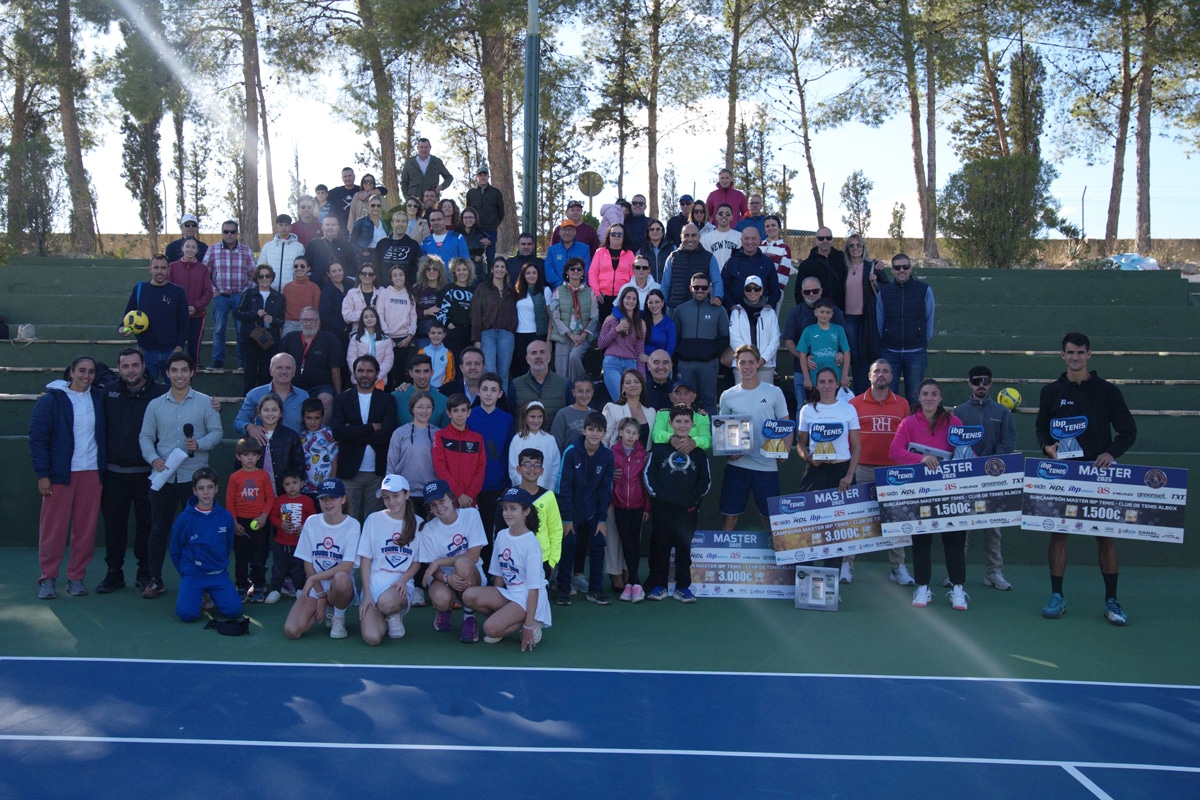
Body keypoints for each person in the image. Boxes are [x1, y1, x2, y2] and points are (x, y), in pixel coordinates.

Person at [1035, 332, 1137, 626]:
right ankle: (1057, 596)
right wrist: (1047, 447)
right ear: (1062, 355)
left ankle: (1112, 601)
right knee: (1058, 535)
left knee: (1105, 536)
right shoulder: (1051, 391)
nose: (1075, 357)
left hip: (1099, 475)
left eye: (1080, 352)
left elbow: (1128, 431)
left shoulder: (1107, 391)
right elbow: (1041, 429)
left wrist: (1110, 453)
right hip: (1064, 475)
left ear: (1089, 355)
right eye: (1070, 352)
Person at [137, 352, 223, 600]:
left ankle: (202, 583)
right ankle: (155, 579)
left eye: (184, 370)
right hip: (163, 478)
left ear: (192, 372)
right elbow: (145, 436)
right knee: (158, 530)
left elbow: (216, 432)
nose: (179, 375)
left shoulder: (206, 402)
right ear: (167, 373)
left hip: (195, 481)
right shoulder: (155, 405)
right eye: (174, 370)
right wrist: (153, 458)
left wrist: (200, 444)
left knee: (199, 532)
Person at [30, 355, 106, 599]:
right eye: (81, 370)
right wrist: (43, 474)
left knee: (85, 529)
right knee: (53, 528)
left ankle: (76, 577)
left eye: (91, 372)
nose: (86, 376)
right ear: (71, 372)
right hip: (60, 475)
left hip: (91, 473)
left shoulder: (99, 397)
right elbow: (38, 438)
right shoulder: (51, 400)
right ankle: (48, 578)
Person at [889, 379, 969, 611]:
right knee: (921, 541)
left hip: (949, 492)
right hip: (920, 492)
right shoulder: (908, 423)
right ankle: (922, 586)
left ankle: (958, 589)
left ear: (941, 398)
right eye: (925, 394)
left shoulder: (954, 422)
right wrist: (921, 459)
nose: (929, 398)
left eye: (934, 394)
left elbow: (965, 452)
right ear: (919, 397)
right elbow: (894, 451)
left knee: (954, 540)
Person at [96, 348, 166, 594]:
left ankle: (145, 571)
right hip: (114, 473)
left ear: (143, 365)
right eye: (125, 366)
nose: (131, 370)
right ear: (119, 369)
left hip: (148, 474)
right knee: (114, 526)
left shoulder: (160, 392)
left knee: (147, 525)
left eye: (135, 365)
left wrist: (213, 404)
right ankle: (113, 572)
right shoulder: (108, 391)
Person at [848, 358, 914, 586]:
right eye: (877, 371)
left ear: (892, 377)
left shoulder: (902, 405)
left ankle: (898, 567)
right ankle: (847, 564)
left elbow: (907, 440)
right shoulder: (855, 404)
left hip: (893, 471)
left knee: (897, 518)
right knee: (856, 519)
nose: (881, 375)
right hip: (862, 468)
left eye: (886, 371)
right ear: (869, 376)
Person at [952, 365, 1016, 591]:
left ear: (991, 383)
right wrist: (971, 466)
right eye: (977, 381)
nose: (981, 385)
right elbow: (954, 442)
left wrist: (991, 465)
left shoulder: (1002, 412)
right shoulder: (958, 412)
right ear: (969, 383)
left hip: (993, 478)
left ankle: (994, 573)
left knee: (993, 529)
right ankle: (956, 573)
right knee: (962, 529)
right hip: (966, 479)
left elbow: (1008, 440)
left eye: (985, 381)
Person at [463, 487, 552, 649]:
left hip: (527, 597)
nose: (507, 513)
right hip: (510, 593)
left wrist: (528, 626)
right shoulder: (502, 535)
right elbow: (499, 576)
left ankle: (532, 621)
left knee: (489, 629)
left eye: (513, 508)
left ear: (526, 512)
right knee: (469, 595)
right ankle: (506, 620)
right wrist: (497, 606)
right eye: (505, 508)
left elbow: (534, 589)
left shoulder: (531, 543)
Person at [795, 367, 862, 576]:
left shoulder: (848, 409)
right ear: (816, 385)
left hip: (841, 470)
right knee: (809, 524)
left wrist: (849, 475)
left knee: (837, 528)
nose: (826, 386)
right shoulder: (807, 410)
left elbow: (857, 447)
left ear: (837, 384)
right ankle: (807, 576)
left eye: (830, 382)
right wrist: (808, 457)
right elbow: (801, 444)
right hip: (816, 470)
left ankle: (830, 579)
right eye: (822, 382)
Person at [718, 345, 791, 532]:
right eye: (742, 363)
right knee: (729, 516)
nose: (747, 367)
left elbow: (786, 425)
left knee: (769, 518)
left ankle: (773, 552)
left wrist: (784, 452)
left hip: (767, 465)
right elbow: (722, 430)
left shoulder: (774, 392)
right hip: (737, 465)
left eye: (751, 362)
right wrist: (729, 453)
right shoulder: (728, 396)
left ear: (758, 363)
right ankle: (725, 550)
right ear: (737, 364)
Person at [644, 404, 712, 602]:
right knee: (660, 547)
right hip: (663, 509)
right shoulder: (659, 449)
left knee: (684, 548)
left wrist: (693, 500)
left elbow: (705, 480)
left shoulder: (699, 453)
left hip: (687, 510)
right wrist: (659, 496)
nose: (682, 425)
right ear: (671, 423)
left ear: (692, 425)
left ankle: (683, 587)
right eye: (678, 421)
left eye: (686, 422)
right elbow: (648, 474)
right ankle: (659, 586)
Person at [283, 477, 361, 640]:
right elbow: (308, 563)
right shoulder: (311, 522)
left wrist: (313, 579)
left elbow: (346, 566)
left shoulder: (352, 525)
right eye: (323, 498)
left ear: (343, 499)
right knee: (292, 631)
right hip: (316, 586)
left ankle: (338, 617)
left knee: (341, 578)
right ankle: (326, 608)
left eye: (333, 498)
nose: (328, 503)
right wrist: (320, 594)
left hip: (339, 585)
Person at [168, 468, 242, 623]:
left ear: (216, 489)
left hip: (218, 574)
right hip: (193, 574)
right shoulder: (184, 519)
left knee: (234, 611)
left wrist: (219, 564)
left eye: (210, 487)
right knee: (187, 615)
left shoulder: (225, 517)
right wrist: (185, 573)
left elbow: (227, 545)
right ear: (194, 491)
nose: (206, 493)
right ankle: (198, 594)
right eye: (201, 488)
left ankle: (211, 594)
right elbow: (175, 550)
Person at [556, 412, 614, 606]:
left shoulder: (607, 455)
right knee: (568, 545)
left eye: (599, 430)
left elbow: (606, 489)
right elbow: (563, 487)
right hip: (571, 511)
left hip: (594, 511)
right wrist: (567, 518)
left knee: (598, 544)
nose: (594, 434)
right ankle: (563, 588)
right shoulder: (571, 452)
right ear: (584, 431)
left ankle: (595, 590)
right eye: (591, 429)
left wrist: (602, 519)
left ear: (604, 433)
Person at [417, 479, 486, 642]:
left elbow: (474, 555)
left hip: (472, 575)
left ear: (452, 498)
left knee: (462, 563)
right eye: (433, 505)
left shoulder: (471, 515)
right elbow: (433, 570)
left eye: (442, 501)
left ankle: (469, 617)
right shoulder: (428, 530)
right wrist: (447, 578)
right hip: (444, 579)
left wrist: (439, 562)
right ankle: (444, 610)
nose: (439, 508)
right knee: (440, 598)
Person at [357, 474, 422, 644]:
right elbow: (365, 559)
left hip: (400, 586)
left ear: (407, 495)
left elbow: (416, 563)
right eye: (386, 497)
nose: (391, 501)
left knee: (386, 602)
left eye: (396, 496)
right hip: (374, 586)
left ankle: (394, 613)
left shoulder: (419, 523)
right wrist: (367, 595)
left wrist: (403, 580)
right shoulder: (373, 519)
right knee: (372, 638)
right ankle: (384, 616)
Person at [332, 355, 398, 523]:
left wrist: (352, 433)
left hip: (377, 473)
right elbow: (338, 433)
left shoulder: (387, 399)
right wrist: (371, 428)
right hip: (349, 472)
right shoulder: (342, 399)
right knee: (348, 521)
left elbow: (387, 434)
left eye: (369, 371)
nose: (365, 375)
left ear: (377, 374)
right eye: (360, 370)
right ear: (354, 373)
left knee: (374, 522)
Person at [876, 253, 935, 404]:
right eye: (897, 267)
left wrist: (921, 338)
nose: (901, 270)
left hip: (916, 351)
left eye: (905, 266)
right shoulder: (885, 292)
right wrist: (887, 337)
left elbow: (929, 317)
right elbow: (880, 319)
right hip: (890, 351)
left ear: (910, 268)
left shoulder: (924, 290)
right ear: (892, 270)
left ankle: (914, 421)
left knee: (915, 396)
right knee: (888, 396)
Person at [782, 277, 847, 408]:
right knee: (803, 408)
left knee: (832, 408)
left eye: (815, 291)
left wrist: (841, 354)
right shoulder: (796, 312)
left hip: (831, 372)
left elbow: (844, 341)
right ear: (802, 293)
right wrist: (804, 358)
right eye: (807, 292)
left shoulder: (835, 312)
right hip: (802, 371)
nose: (811, 294)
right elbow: (788, 341)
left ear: (821, 291)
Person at [121, 254, 188, 382]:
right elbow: (128, 316)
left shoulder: (178, 292)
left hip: (171, 351)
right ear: (150, 269)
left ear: (169, 270)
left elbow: (184, 322)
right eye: (156, 267)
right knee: (148, 390)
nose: (159, 271)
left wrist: (179, 347)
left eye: (163, 268)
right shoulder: (140, 289)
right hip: (147, 351)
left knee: (174, 390)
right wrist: (124, 329)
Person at [468, 373, 515, 554]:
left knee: (493, 533)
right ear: (478, 391)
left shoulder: (506, 419)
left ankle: (492, 568)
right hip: (472, 486)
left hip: (497, 484)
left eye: (493, 390)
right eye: (485, 389)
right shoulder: (469, 416)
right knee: (473, 533)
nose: (489, 394)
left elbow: (509, 451)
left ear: (500, 394)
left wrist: (508, 483)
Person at [226, 437, 275, 603]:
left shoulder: (263, 476)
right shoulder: (234, 477)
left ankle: (259, 585)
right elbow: (229, 501)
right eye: (246, 454)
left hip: (259, 522)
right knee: (241, 558)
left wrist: (263, 516)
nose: (250, 458)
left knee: (259, 557)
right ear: (238, 457)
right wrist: (234, 523)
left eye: (253, 455)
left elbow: (270, 498)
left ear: (259, 457)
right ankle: (241, 586)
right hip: (240, 523)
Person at [672, 274, 730, 414]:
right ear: (690, 288)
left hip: (708, 364)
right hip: (686, 364)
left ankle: (709, 428)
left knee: (709, 400)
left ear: (709, 289)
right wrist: (682, 352)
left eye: (703, 287)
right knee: (684, 401)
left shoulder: (719, 310)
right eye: (696, 287)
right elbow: (675, 336)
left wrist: (711, 353)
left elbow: (725, 337)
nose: (700, 290)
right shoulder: (681, 310)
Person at [204, 219, 255, 371]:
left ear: (237, 233)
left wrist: (246, 291)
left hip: (240, 296)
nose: (229, 235)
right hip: (221, 296)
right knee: (219, 330)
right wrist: (213, 290)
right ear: (222, 233)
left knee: (241, 331)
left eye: (232, 232)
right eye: (226, 232)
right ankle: (217, 362)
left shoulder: (246, 251)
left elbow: (253, 274)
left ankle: (242, 363)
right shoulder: (213, 250)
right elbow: (204, 273)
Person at [609, 417, 651, 602]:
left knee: (635, 542)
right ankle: (634, 582)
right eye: (627, 432)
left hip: (638, 505)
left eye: (634, 433)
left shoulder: (643, 455)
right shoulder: (612, 453)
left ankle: (633, 583)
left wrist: (647, 507)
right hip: (619, 505)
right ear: (620, 433)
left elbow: (646, 483)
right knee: (626, 541)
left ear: (638, 436)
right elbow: (605, 476)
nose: (630, 436)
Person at [841, 233, 889, 391]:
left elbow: (886, 289)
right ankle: (858, 393)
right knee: (854, 356)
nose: (855, 248)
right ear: (847, 249)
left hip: (868, 317)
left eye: (859, 245)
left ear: (863, 247)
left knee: (868, 354)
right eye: (851, 245)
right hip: (849, 318)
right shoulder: (844, 268)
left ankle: (870, 391)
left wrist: (875, 282)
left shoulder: (872, 266)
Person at [280, 307, 343, 423]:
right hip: (293, 385)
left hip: (321, 386)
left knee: (327, 399)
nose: (308, 323)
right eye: (305, 320)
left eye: (312, 320)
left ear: (318, 322)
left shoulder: (329, 339)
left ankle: (321, 432)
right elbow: (279, 364)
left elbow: (335, 368)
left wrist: (338, 394)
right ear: (300, 321)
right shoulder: (289, 338)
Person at [264, 468, 316, 604]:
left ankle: (299, 589)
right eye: (287, 484)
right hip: (280, 542)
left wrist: (304, 526)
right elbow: (272, 517)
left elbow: (313, 518)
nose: (291, 486)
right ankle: (276, 589)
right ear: (283, 486)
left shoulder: (307, 501)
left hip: (299, 544)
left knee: (298, 567)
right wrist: (280, 524)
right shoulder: (279, 500)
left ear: (302, 483)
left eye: (294, 482)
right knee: (278, 567)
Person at [234, 265, 286, 395]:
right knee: (250, 371)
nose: (264, 279)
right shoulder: (248, 294)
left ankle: (265, 400)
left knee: (266, 372)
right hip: (249, 338)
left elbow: (282, 320)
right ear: (256, 278)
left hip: (269, 340)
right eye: (261, 276)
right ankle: (247, 399)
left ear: (272, 278)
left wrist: (272, 320)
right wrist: (255, 314)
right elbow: (238, 313)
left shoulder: (279, 297)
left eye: (267, 276)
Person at [234, 352, 310, 440]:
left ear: (294, 372)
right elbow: (239, 422)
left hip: (295, 447)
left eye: (288, 368)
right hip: (265, 446)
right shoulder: (255, 394)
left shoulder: (303, 396)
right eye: (279, 367)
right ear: (271, 371)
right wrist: (249, 427)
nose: (284, 371)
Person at [513, 449, 563, 580]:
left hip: (542, 559)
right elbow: (501, 530)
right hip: (514, 559)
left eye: (536, 465)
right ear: (518, 469)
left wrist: (552, 562)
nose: (532, 469)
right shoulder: (511, 496)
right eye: (527, 464)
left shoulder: (548, 496)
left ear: (542, 471)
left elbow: (556, 530)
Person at [387, 391, 441, 512]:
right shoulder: (400, 433)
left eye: (428, 407)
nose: (424, 411)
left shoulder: (438, 434)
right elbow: (391, 463)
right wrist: (390, 490)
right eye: (420, 407)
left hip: (431, 493)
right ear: (412, 409)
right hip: (405, 493)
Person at [548, 257, 599, 381]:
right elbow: (554, 317)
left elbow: (595, 317)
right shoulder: (558, 291)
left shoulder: (590, 292)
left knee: (574, 358)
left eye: (579, 269)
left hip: (583, 336)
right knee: (561, 372)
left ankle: (581, 385)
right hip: (564, 336)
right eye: (572, 269)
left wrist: (583, 336)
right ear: (567, 271)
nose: (576, 271)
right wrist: (570, 334)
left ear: (583, 272)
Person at [471, 257, 519, 388]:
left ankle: (502, 400)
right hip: (487, 334)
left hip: (506, 335)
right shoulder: (483, 289)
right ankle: (489, 399)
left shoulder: (511, 291)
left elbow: (516, 312)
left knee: (503, 373)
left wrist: (512, 327)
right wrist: (476, 339)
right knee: (489, 371)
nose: (499, 269)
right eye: (497, 266)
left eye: (502, 267)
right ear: (492, 269)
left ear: (506, 271)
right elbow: (476, 314)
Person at [432, 393, 486, 507]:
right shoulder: (440, 436)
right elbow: (440, 469)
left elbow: (480, 470)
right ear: (449, 413)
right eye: (455, 410)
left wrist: (470, 495)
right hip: (447, 501)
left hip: (470, 501)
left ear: (469, 412)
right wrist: (458, 494)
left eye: (463, 410)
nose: (460, 414)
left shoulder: (477, 439)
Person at [727, 275, 781, 386]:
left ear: (761, 291)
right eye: (749, 288)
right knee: (742, 396)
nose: (752, 292)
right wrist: (748, 359)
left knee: (765, 396)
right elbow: (734, 338)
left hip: (766, 365)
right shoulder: (737, 312)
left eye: (756, 288)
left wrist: (763, 359)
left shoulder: (770, 313)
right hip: (743, 365)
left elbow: (775, 339)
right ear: (744, 291)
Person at [597, 286, 647, 403]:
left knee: (633, 400)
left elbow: (640, 351)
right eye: (628, 298)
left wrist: (642, 377)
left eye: (634, 299)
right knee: (621, 399)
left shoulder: (640, 323)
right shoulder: (610, 319)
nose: (631, 301)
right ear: (622, 299)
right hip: (612, 362)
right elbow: (600, 344)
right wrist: (616, 330)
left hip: (631, 364)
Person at [661, 223, 724, 311]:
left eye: (693, 235)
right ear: (681, 237)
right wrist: (662, 307)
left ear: (699, 236)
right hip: (675, 310)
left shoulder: (709, 258)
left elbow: (717, 281)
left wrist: (717, 296)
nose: (690, 239)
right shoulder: (672, 258)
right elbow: (665, 285)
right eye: (686, 235)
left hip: (701, 310)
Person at [798, 298, 852, 393]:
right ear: (815, 312)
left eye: (827, 312)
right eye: (821, 312)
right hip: (815, 378)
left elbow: (846, 352)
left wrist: (844, 376)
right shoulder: (809, 331)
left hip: (835, 378)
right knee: (816, 402)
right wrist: (807, 378)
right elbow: (802, 355)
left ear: (832, 314)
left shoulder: (838, 330)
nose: (824, 315)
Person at [509, 339, 569, 424]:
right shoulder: (515, 384)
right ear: (527, 359)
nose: (538, 356)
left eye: (542, 352)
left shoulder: (565, 383)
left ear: (549, 357)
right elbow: (511, 416)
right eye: (533, 353)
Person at [721, 226, 781, 311]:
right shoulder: (731, 262)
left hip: (761, 311)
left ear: (759, 240)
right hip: (736, 311)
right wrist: (732, 306)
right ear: (741, 240)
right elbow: (724, 288)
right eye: (746, 238)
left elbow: (775, 289)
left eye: (753, 238)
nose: (750, 242)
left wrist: (770, 305)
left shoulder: (767, 262)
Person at [379, 264, 419, 386]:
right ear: (391, 278)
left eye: (401, 275)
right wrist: (387, 335)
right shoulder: (384, 293)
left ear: (405, 276)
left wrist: (409, 336)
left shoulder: (409, 295)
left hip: (404, 340)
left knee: (401, 373)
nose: (398, 278)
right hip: (388, 339)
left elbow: (413, 317)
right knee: (388, 372)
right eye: (395, 275)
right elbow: (380, 314)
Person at [507, 400, 560, 490]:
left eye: (540, 417)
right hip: (524, 491)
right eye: (532, 417)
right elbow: (513, 469)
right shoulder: (517, 439)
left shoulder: (550, 440)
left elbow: (555, 468)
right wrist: (524, 489)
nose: (536, 420)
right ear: (525, 417)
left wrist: (550, 488)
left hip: (545, 490)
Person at [511, 262, 551, 379]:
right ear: (523, 275)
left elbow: (551, 318)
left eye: (534, 273)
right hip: (520, 335)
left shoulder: (545, 291)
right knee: (523, 369)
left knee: (538, 369)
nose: (531, 275)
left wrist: (548, 339)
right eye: (528, 273)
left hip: (538, 335)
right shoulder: (517, 292)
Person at [588, 223, 636, 321]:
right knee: (603, 325)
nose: (616, 237)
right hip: (602, 297)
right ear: (609, 236)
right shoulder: (600, 252)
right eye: (613, 234)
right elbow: (592, 273)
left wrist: (628, 295)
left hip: (622, 298)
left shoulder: (630, 254)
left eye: (620, 234)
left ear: (624, 237)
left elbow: (633, 276)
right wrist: (597, 293)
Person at [650, 378, 712, 452]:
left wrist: (693, 442)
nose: (682, 397)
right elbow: (656, 434)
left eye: (686, 393)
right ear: (671, 397)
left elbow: (707, 440)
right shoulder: (662, 414)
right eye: (678, 393)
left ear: (693, 397)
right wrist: (671, 438)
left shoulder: (702, 417)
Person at [795, 227, 847, 309]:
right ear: (816, 240)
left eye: (828, 238)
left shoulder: (842, 259)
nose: (825, 240)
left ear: (832, 240)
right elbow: (799, 292)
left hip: (840, 310)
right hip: (818, 312)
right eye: (821, 238)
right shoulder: (806, 265)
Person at [602, 368, 655, 447]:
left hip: (644, 455)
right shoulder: (613, 409)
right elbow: (603, 439)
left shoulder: (651, 412)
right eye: (628, 382)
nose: (632, 385)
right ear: (623, 387)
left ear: (642, 385)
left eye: (636, 382)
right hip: (616, 454)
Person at [393, 353, 450, 426]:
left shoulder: (444, 402)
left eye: (426, 371)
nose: (422, 376)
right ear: (411, 373)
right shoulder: (396, 397)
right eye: (417, 371)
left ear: (432, 372)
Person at [299, 397, 339, 498]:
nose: (313, 422)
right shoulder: (301, 435)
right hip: (305, 487)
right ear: (303, 417)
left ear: (322, 417)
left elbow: (334, 460)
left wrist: (332, 482)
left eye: (317, 418)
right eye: (309, 418)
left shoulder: (328, 435)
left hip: (324, 487)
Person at [437, 257, 477, 357]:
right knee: (454, 363)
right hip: (453, 332)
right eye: (458, 270)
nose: (461, 272)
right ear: (454, 272)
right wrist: (449, 325)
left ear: (469, 272)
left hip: (470, 333)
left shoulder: (474, 291)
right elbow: (439, 311)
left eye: (464, 269)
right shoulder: (448, 289)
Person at [465, 166, 504, 264]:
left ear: (488, 177)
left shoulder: (496, 193)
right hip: (475, 230)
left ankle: (490, 274)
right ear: (476, 177)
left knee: (490, 258)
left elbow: (501, 212)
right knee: (475, 257)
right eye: (480, 175)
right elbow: (468, 211)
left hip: (491, 231)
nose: (482, 177)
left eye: (484, 175)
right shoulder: (471, 193)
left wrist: (494, 224)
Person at [257, 214, 305, 291]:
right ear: (277, 227)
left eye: (286, 225)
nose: (283, 228)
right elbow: (260, 268)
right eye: (281, 225)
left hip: (291, 290)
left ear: (290, 227)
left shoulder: (299, 247)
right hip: (270, 290)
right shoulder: (268, 246)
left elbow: (301, 269)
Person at [375, 211, 422, 288]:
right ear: (392, 224)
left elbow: (417, 269)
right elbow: (376, 267)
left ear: (407, 224)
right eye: (397, 221)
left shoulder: (413, 245)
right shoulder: (382, 244)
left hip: (406, 289)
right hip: (384, 289)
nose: (400, 224)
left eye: (403, 221)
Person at [306, 217, 356, 287]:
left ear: (338, 228)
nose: (330, 227)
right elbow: (307, 266)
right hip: (317, 287)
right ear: (322, 227)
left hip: (340, 287)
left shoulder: (346, 245)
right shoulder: (314, 243)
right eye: (327, 225)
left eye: (333, 225)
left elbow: (352, 266)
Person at [550, 376, 596, 452]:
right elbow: (556, 444)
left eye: (588, 391)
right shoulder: (563, 414)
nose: (584, 395)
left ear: (592, 392)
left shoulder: (595, 415)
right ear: (573, 392)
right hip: (568, 458)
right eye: (580, 391)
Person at [318, 261, 355, 356]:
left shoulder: (349, 287)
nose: (338, 273)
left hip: (349, 332)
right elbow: (324, 315)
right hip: (334, 334)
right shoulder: (327, 290)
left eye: (340, 270)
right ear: (328, 274)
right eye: (334, 271)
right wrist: (343, 328)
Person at [400, 137, 454, 201]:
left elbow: (449, 177)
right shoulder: (409, 162)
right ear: (417, 148)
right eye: (421, 147)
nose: (424, 149)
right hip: (414, 200)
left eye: (426, 147)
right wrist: (407, 197)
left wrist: (441, 187)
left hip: (432, 199)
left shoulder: (436, 162)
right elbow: (404, 182)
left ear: (430, 148)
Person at [280, 257, 321, 338]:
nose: (299, 268)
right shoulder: (287, 287)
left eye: (302, 266)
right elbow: (282, 308)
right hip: (289, 324)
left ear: (308, 268)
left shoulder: (315, 288)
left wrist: (318, 327)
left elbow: (316, 311)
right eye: (296, 266)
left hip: (308, 324)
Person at [414, 255, 448, 349]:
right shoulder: (417, 289)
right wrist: (425, 312)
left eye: (435, 269)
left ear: (440, 271)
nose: (431, 271)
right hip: (423, 332)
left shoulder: (446, 289)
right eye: (428, 269)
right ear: (424, 271)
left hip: (442, 332)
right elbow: (410, 311)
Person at [545, 219, 590, 288]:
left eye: (570, 230)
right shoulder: (552, 250)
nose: (567, 232)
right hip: (558, 289)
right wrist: (560, 284)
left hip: (579, 289)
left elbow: (587, 269)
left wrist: (579, 285)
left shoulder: (584, 248)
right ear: (559, 232)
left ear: (575, 232)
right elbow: (549, 270)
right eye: (564, 229)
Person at [701, 203, 743, 271]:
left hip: (734, 275)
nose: (724, 216)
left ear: (731, 217)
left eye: (727, 214)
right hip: (714, 275)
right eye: (721, 213)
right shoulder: (706, 239)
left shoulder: (740, 237)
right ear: (716, 217)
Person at [761, 215, 796, 291]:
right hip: (756, 290)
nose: (770, 228)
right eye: (767, 226)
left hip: (774, 291)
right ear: (764, 230)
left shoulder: (784, 248)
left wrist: (775, 291)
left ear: (779, 228)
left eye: (773, 225)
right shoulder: (758, 246)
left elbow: (783, 273)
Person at [351, 196, 388, 263]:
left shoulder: (384, 224)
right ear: (368, 206)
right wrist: (362, 252)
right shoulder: (360, 222)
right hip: (367, 256)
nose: (376, 208)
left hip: (383, 255)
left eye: (378, 206)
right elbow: (352, 241)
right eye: (373, 205)